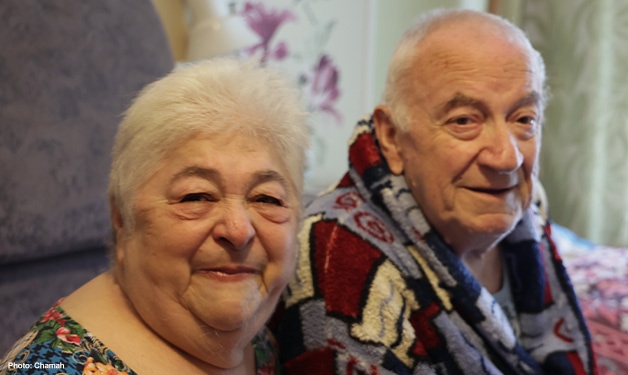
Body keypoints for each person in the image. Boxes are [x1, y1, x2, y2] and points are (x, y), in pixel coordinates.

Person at [276, 8, 596, 375]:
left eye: (524, 119)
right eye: (464, 121)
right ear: (392, 138)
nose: (506, 158)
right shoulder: (338, 253)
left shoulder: (527, 204)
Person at [1, 58, 308, 374]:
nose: (239, 230)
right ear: (122, 219)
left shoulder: (268, 337)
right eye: (196, 196)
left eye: (266, 198)